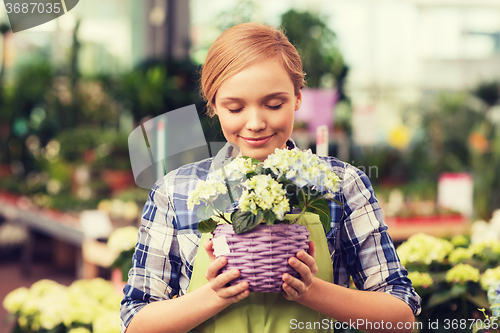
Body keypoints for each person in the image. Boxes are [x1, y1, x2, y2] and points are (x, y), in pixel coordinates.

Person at [120, 23, 421, 333]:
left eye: (274, 104)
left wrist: (313, 291)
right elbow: (136, 323)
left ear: (298, 98)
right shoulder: (176, 191)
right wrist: (215, 294)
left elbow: (401, 320)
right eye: (235, 108)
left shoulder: (342, 184)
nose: (255, 123)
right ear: (213, 106)